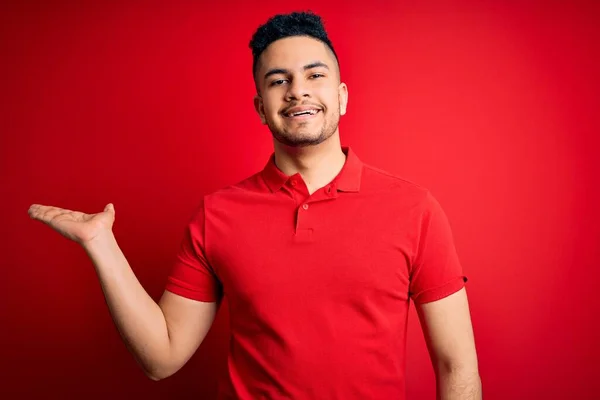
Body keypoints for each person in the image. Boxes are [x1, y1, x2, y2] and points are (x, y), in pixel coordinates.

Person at [28, 11, 481, 400]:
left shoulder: (414, 209)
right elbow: (161, 357)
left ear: (340, 97)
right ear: (261, 108)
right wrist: (101, 244)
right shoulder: (217, 214)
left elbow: (457, 366)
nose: (297, 91)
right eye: (278, 81)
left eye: (315, 75)